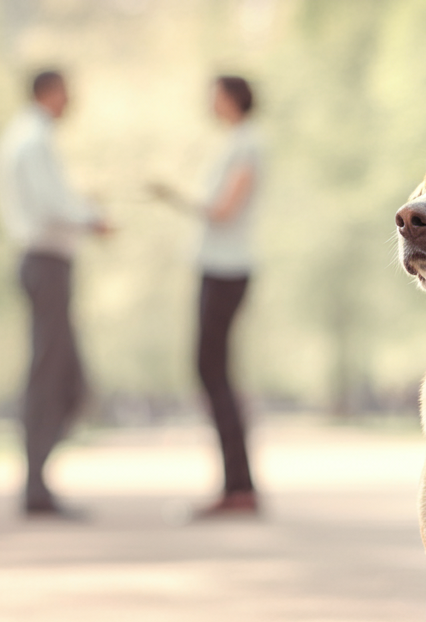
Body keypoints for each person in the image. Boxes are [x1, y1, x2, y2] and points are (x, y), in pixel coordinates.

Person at [0, 69, 108, 517]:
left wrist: (84, 212)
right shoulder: (32, 139)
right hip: (45, 263)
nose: (70, 101)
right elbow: (50, 205)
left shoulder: (30, 138)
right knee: (52, 377)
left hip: (48, 263)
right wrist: (90, 217)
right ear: (48, 92)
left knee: (68, 380)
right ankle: (35, 485)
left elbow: (53, 200)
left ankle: (38, 480)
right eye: (65, 92)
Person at [151, 75, 262, 518]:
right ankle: (236, 485)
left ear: (232, 98)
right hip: (219, 269)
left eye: (214, 94)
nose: (209, 102)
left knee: (212, 372)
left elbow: (223, 209)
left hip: (226, 270)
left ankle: (238, 487)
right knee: (212, 372)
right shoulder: (238, 141)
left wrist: (175, 197)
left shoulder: (247, 142)